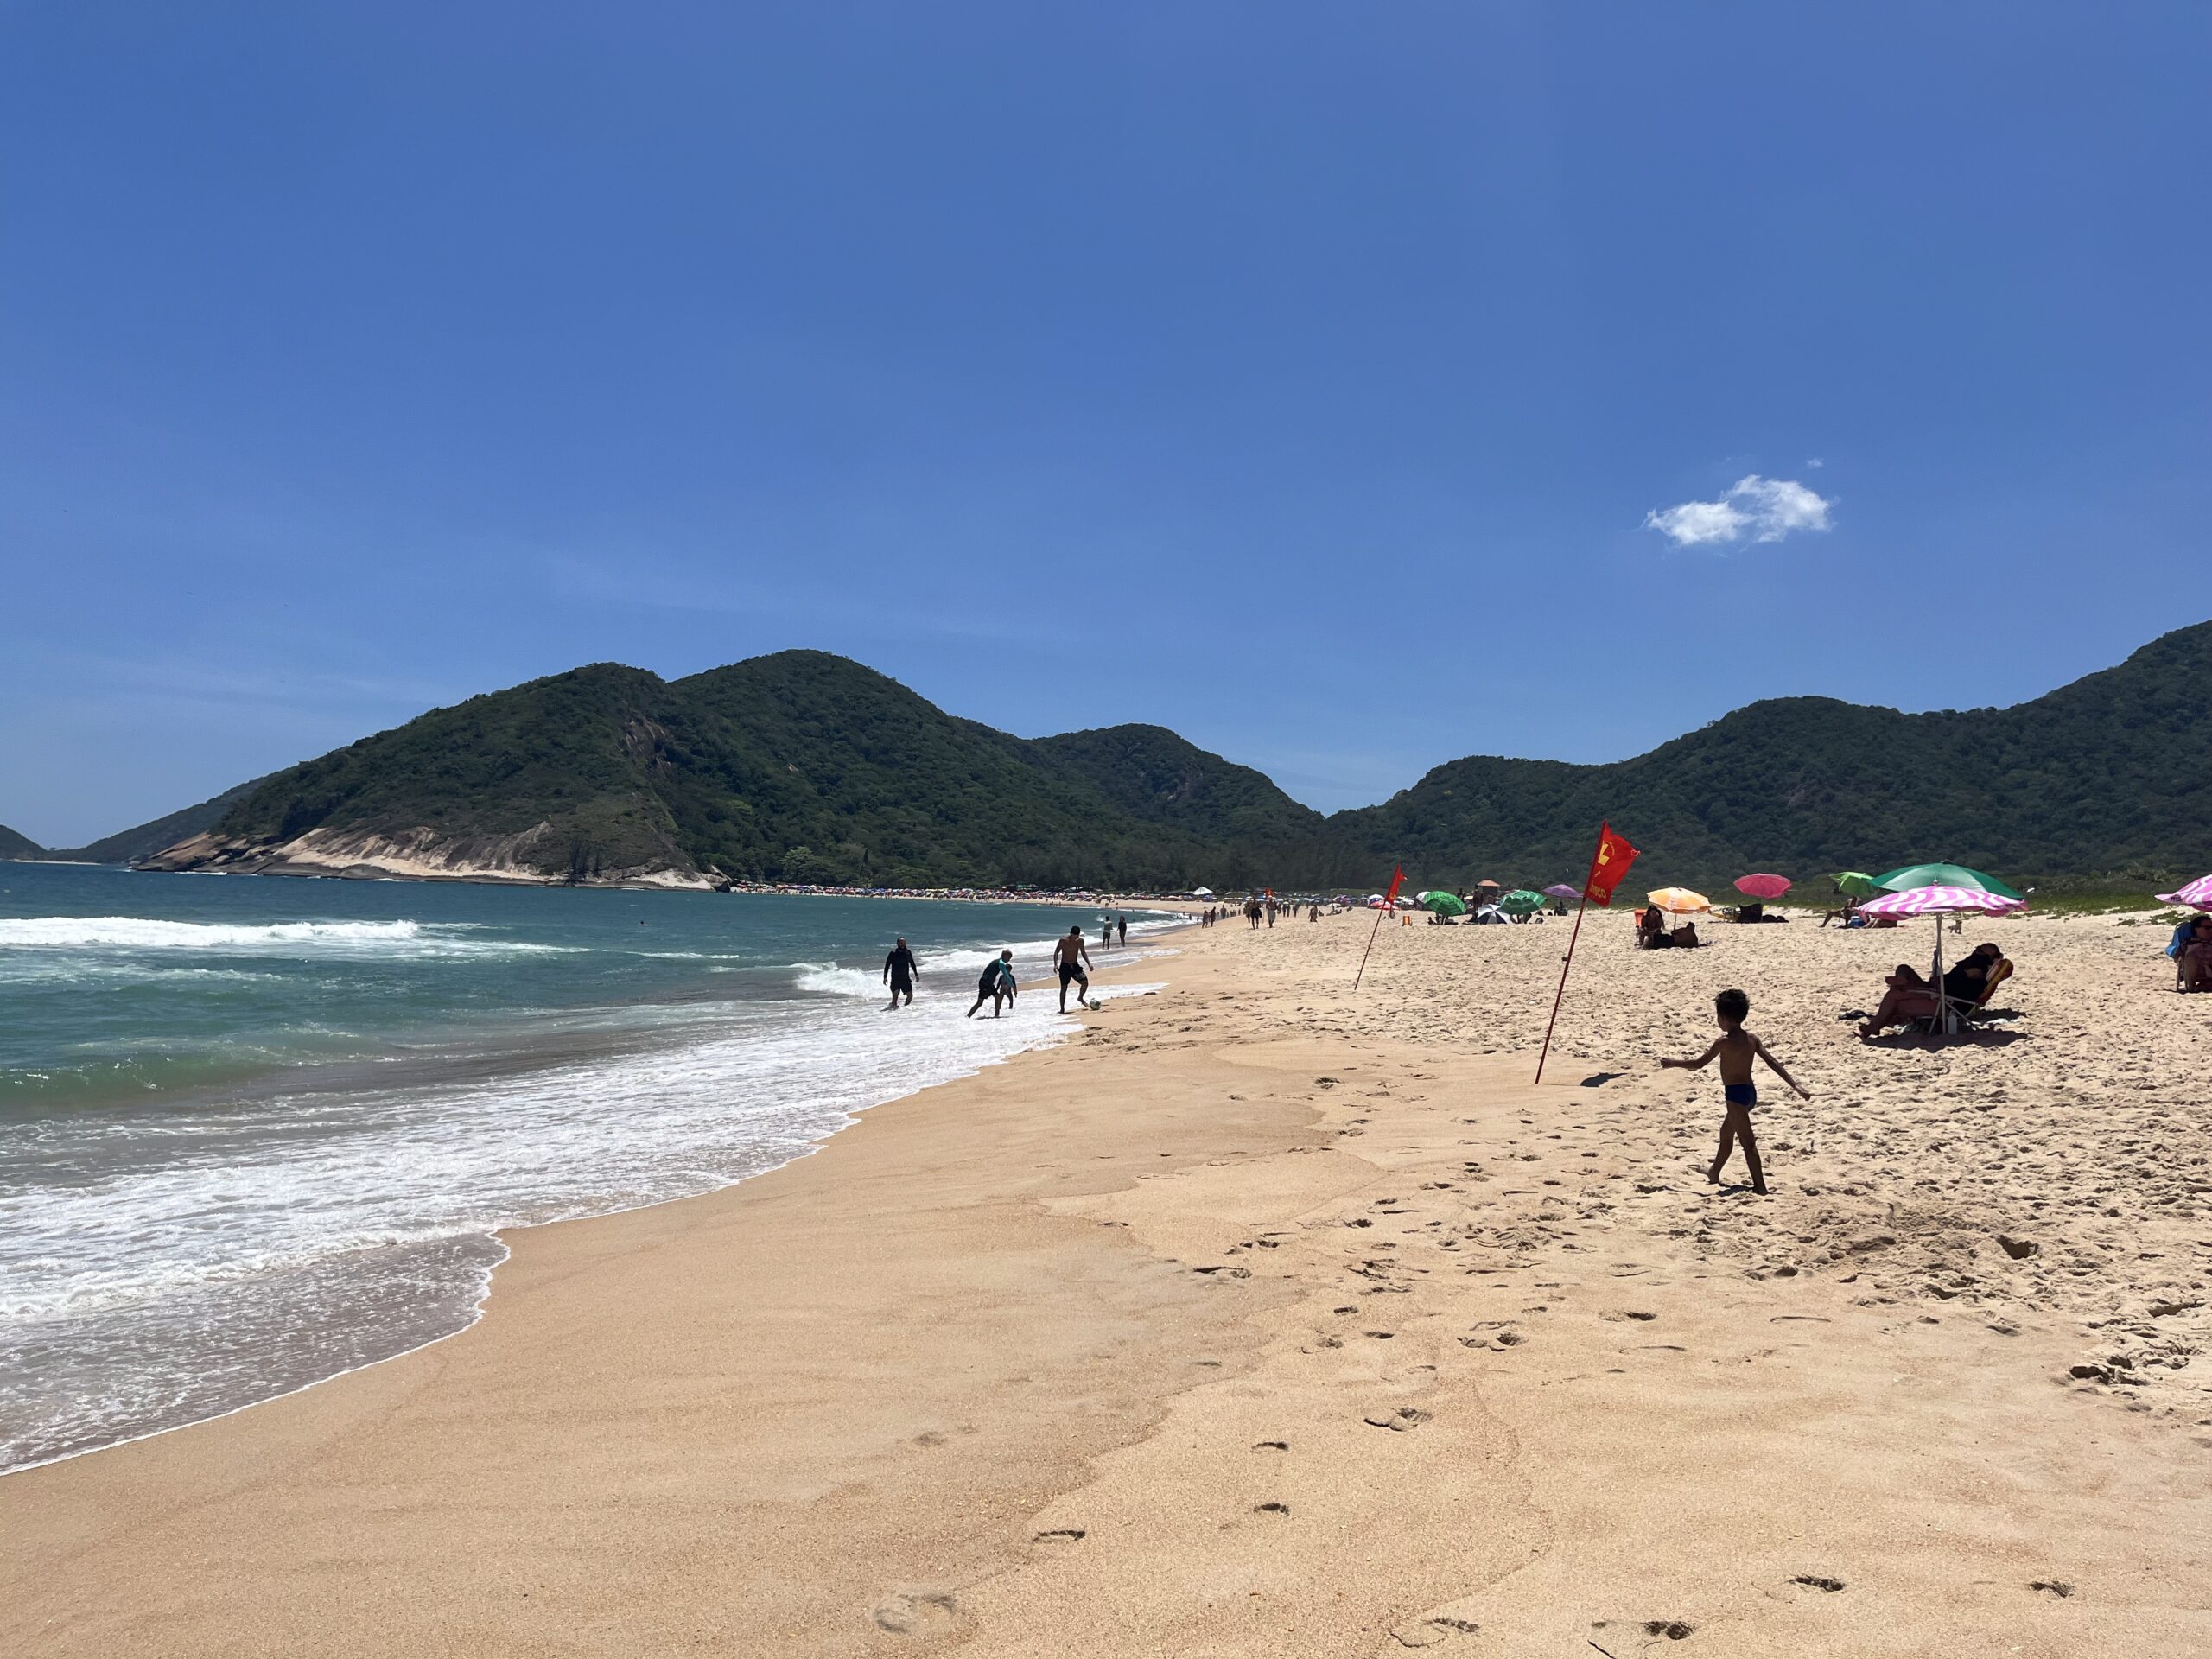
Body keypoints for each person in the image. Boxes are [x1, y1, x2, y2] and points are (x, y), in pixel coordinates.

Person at [1662, 988, 1809, 1195]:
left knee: (1748, 1143)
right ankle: (1714, 1172)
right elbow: (1772, 1062)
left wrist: (1672, 1063)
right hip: (1749, 1094)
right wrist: (1795, 1085)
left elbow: (1698, 1064)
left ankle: (1760, 1187)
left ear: (1722, 1018)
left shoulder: (1724, 1042)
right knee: (1726, 1133)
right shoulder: (1752, 1039)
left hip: (1735, 1097)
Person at [1857, 942, 2006, 1037]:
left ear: (1989, 958)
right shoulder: (1971, 966)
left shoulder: (1977, 971)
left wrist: (1939, 985)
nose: (1977, 951)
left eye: (1981, 951)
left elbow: (1960, 990)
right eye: (1978, 948)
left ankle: (1875, 1026)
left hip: (1945, 1003)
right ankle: (1890, 1011)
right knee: (1904, 969)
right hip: (1936, 992)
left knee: (1894, 995)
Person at [1053, 925, 1095, 1013]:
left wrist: (1089, 963)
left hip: (1075, 966)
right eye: (1074, 936)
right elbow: (1056, 952)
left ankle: (1080, 998)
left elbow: (1083, 953)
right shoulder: (1063, 941)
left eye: (1077, 936)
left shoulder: (1080, 941)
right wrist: (1056, 965)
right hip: (1065, 967)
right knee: (1064, 988)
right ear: (1071, 934)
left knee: (1085, 983)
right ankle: (1062, 1009)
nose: (1075, 938)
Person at [967, 950, 1019, 1018]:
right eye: (1009, 958)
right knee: (980, 1003)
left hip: (987, 983)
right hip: (986, 983)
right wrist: (1014, 988)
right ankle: (968, 1017)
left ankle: (997, 1016)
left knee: (997, 997)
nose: (1009, 960)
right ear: (1005, 956)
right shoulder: (1001, 963)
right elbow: (1006, 976)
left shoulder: (996, 961)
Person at [882, 937, 918, 1010]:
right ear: (898, 943)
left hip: (905, 979)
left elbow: (912, 964)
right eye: (901, 943)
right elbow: (887, 965)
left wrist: (916, 974)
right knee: (895, 995)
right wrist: (885, 977)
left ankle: (904, 1009)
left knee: (910, 996)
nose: (902, 944)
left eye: (904, 942)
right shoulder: (893, 953)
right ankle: (893, 1012)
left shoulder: (908, 952)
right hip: (896, 979)